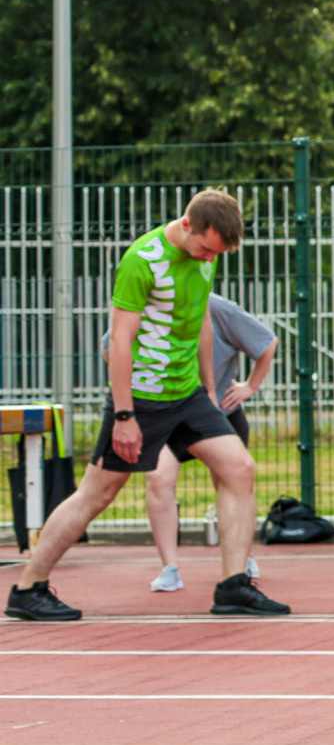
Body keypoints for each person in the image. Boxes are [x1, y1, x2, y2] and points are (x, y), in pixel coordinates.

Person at [6, 190, 289, 621]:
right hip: (142, 398)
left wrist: (209, 392)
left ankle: (233, 587)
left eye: (218, 253)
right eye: (207, 249)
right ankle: (29, 589)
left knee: (239, 468)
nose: (210, 259)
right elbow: (119, 341)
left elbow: (200, 325)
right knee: (96, 494)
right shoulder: (142, 260)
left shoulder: (203, 258)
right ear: (188, 224)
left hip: (189, 394)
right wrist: (124, 416)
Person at [100, 295, 277, 593]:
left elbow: (266, 342)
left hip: (217, 412)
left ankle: (242, 560)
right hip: (168, 416)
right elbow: (111, 347)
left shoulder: (218, 309)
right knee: (158, 478)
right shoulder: (148, 306)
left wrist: (250, 386)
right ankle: (170, 568)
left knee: (232, 480)